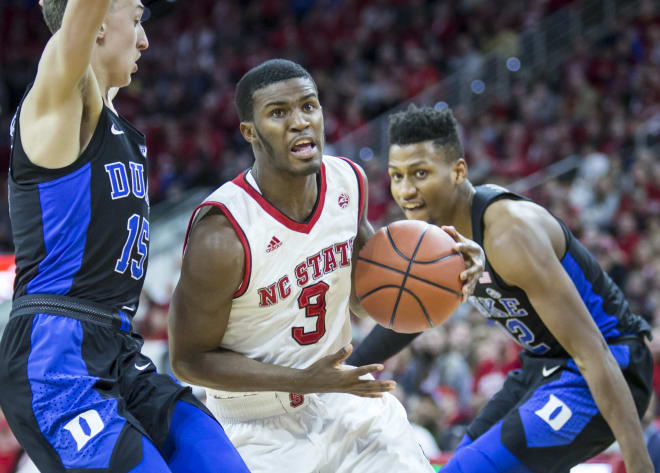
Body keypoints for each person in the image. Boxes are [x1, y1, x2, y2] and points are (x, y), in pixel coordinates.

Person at [167, 59, 484, 473]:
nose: (299, 122)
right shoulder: (222, 234)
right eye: (278, 113)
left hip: (342, 397)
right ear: (250, 131)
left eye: (309, 106)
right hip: (255, 423)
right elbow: (187, 360)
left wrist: (445, 275)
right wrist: (302, 381)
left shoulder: (348, 180)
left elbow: (367, 297)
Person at [0, 1, 249, 471]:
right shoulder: (59, 98)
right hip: (56, 356)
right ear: (94, 24)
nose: (144, 39)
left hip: (118, 348)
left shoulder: (118, 126)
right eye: (136, 19)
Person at [347, 104, 654, 473]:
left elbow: (594, 352)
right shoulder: (437, 238)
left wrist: (640, 464)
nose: (406, 190)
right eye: (396, 176)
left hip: (611, 364)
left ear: (459, 171)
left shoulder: (509, 235)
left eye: (420, 173)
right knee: (457, 463)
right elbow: (406, 315)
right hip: (543, 367)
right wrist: (347, 371)